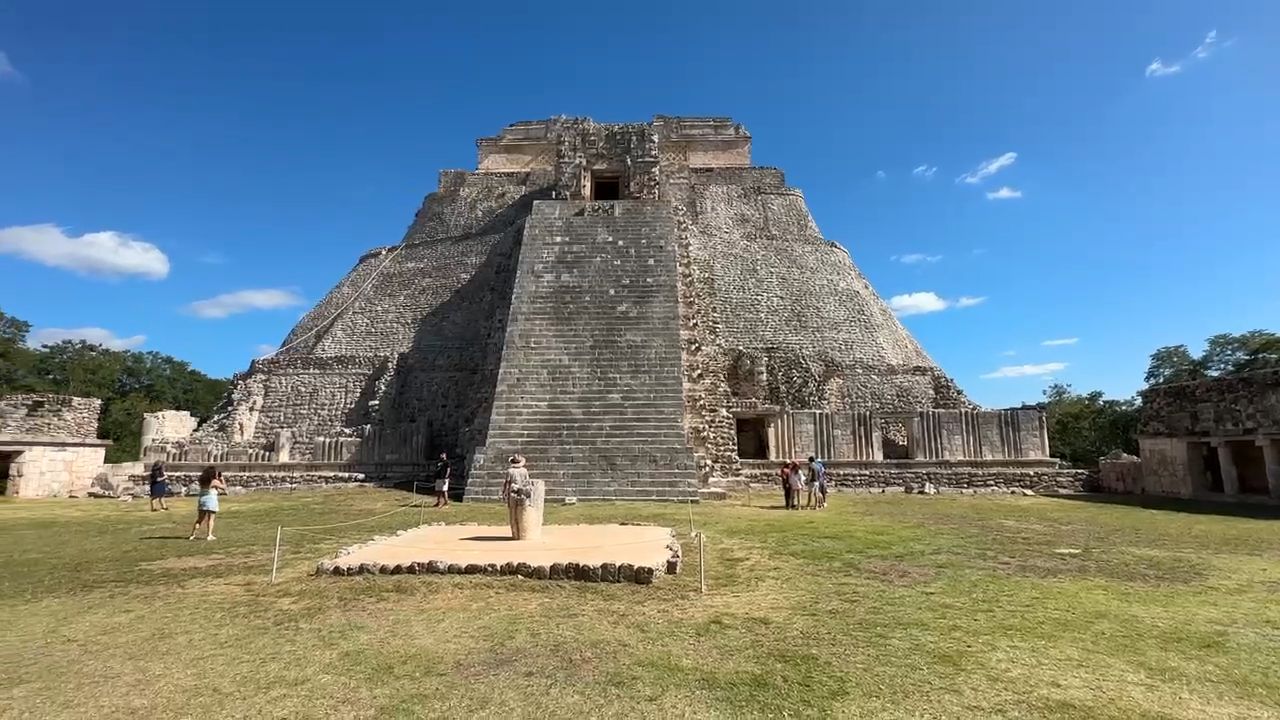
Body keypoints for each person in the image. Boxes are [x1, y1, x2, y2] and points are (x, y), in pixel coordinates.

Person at [188, 466, 226, 541]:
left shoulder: (202, 481)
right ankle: (209, 535)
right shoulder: (214, 481)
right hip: (211, 501)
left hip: (202, 500)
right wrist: (222, 480)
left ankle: (192, 534)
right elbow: (224, 487)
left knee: (200, 519)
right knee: (211, 519)